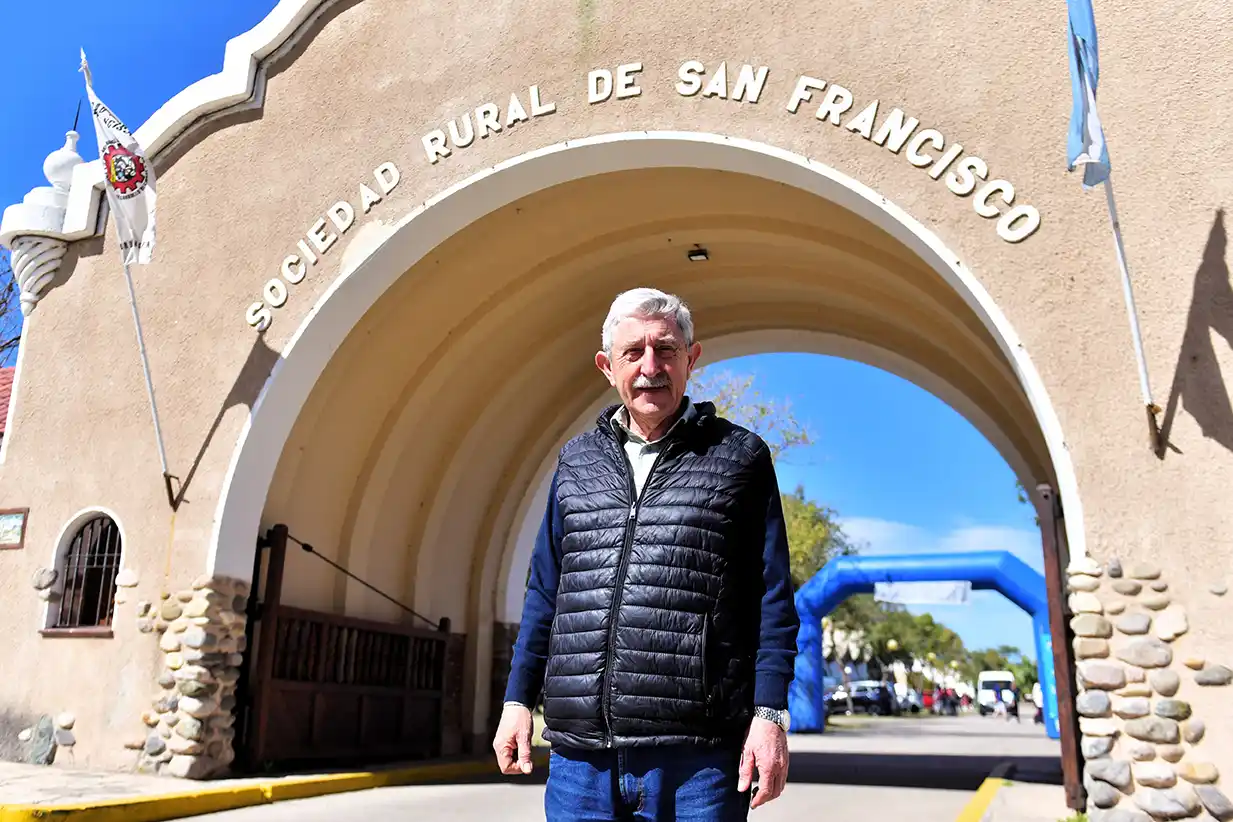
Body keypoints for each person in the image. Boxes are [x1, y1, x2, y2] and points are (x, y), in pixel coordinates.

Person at [492, 287, 801, 821]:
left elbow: (772, 598)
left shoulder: (740, 457)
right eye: (633, 352)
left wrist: (770, 714)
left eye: (666, 350)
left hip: (699, 763)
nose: (650, 367)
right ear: (606, 366)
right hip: (580, 762)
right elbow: (546, 591)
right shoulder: (576, 462)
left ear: (691, 358)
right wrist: (517, 700)